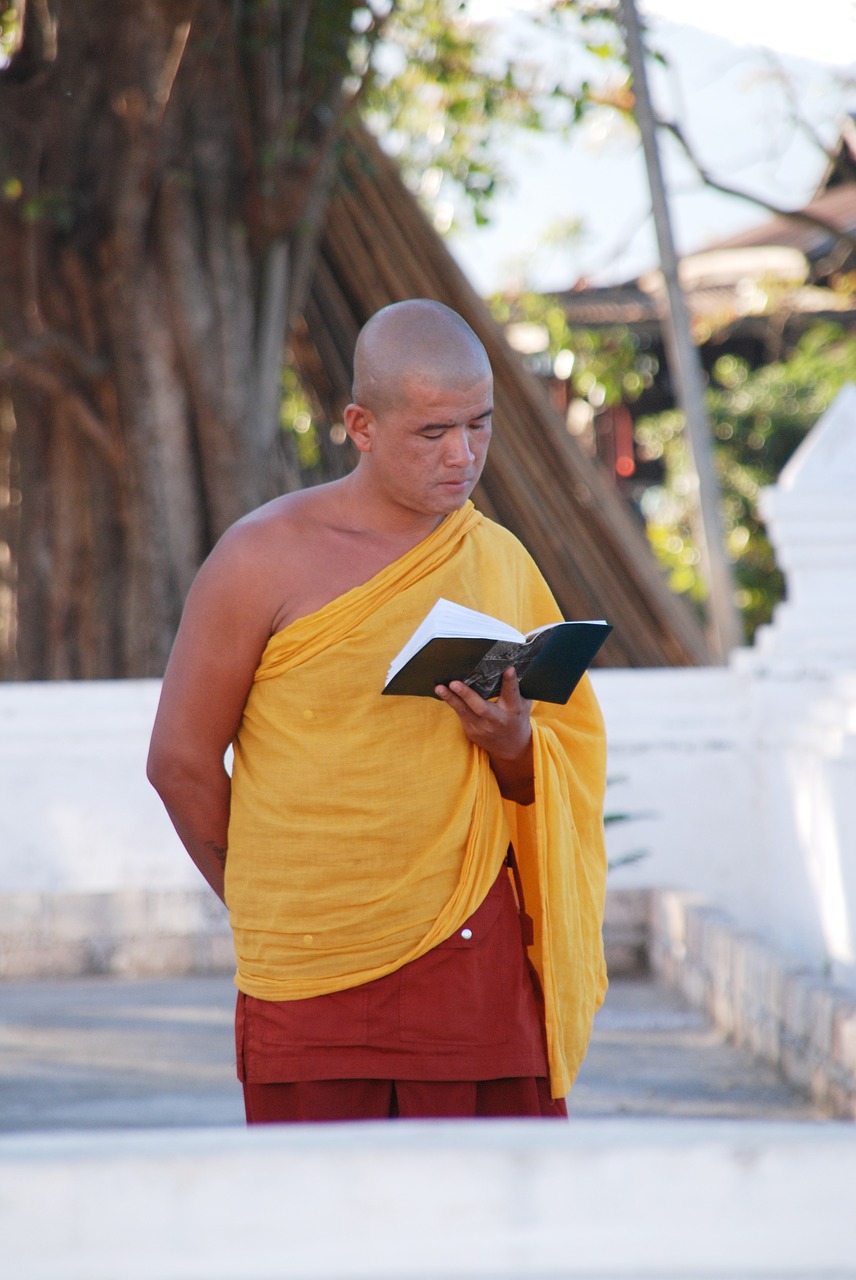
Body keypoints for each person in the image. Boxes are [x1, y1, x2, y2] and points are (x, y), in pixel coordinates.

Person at [147, 298, 608, 1123]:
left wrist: (513, 746)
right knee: (324, 1236)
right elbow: (179, 761)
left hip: (470, 956)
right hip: (309, 966)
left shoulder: (495, 559)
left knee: (490, 1233)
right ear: (360, 425)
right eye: (432, 433)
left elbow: (557, 754)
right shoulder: (262, 557)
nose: (462, 456)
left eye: (479, 425)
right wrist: (267, 899)